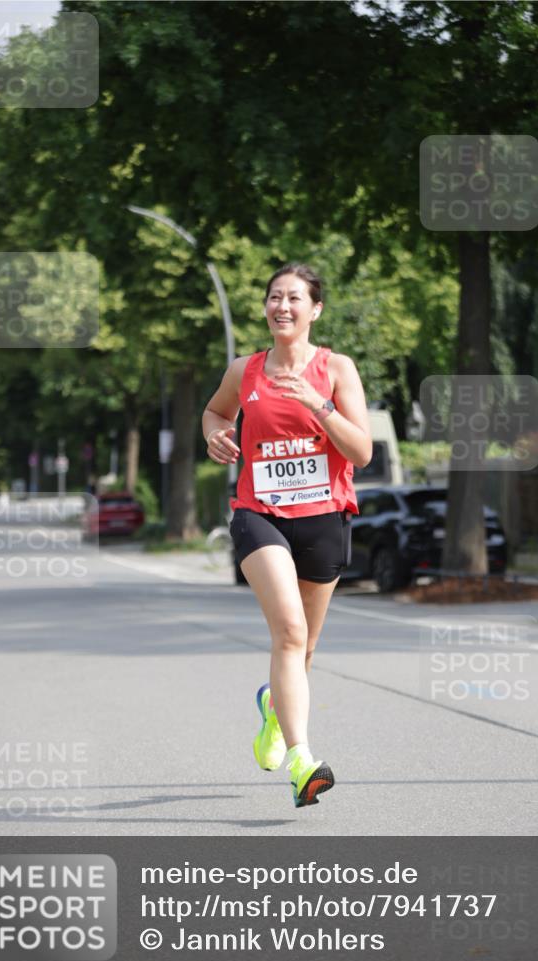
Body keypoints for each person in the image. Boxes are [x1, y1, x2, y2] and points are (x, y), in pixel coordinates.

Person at [202, 263, 372, 807]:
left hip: (324, 516)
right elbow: (214, 412)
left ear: (315, 309)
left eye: (294, 298)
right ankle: (303, 763)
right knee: (291, 633)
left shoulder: (336, 368)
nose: (282, 306)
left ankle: (274, 711)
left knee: (306, 649)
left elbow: (361, 452)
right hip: (261, 514)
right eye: (275, 297)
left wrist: (316, 403)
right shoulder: (245, 370)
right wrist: (215, 434)